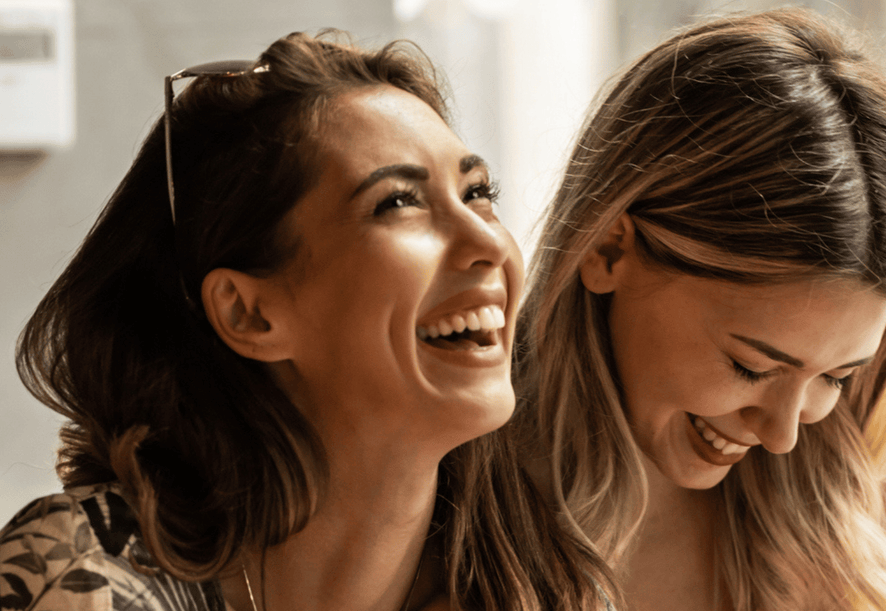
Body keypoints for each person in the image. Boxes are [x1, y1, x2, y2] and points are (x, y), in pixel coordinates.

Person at [1, 31, 614, 611]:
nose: (486, 241)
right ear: (249, 313)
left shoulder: (548, 587)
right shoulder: (82, 577)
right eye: (398, 202)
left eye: (479, 192)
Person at [513, 8, 886, 611]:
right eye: (751, 367)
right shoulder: (453, 482)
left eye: (836, 376)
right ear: (608, 248)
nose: (783, 435)